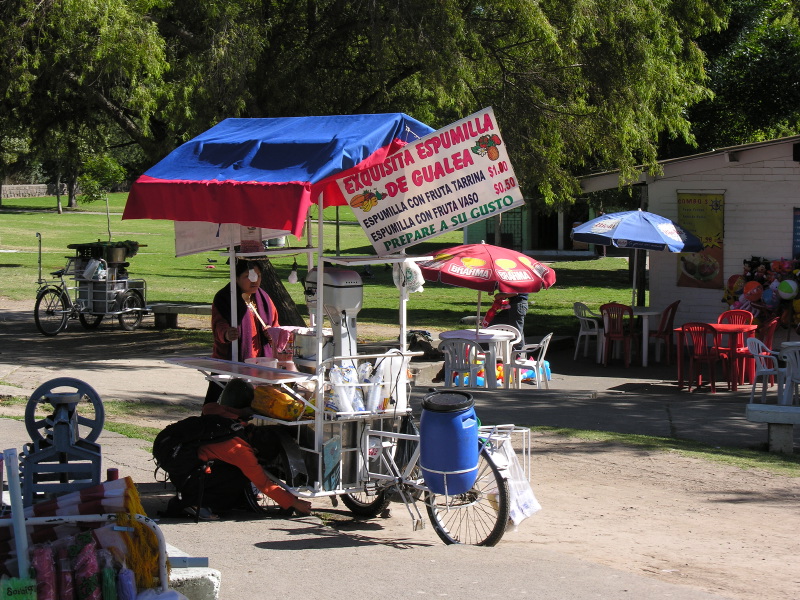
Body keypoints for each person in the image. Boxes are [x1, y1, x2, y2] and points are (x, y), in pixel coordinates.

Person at [197, 379, 313, 518]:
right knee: (238, 478)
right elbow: (263, 483)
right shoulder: (240, 450)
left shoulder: (228, 422)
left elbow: (209, 406)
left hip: (193, 462)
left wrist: (239, 413)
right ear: (256, 449)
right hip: (195, 474)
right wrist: (294, 503)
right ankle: (204, 502)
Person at [204, 260, 280, 404]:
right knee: (225, 403)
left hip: (261, 363)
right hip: (229, 361)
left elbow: (275, 324)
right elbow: (219, 323)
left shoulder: (264, 299)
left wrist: (273, 334)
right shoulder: (224, 298)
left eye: (258, 276)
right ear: (236, 278)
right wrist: (226, 334)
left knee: (260, 405)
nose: (255, 280)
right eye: (248, 276)